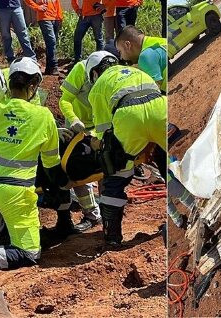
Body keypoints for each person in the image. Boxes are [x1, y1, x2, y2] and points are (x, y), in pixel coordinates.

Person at [0, 58, 73, 277]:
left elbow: (2, 131)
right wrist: (67, 184)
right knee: (29, 253)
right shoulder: (44, 117)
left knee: (3, 214)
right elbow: (51, 166)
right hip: (15, 192)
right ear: (32, 87)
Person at [86, 51, 167, 245]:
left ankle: (112, 237)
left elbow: (104, 131)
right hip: (160, 107)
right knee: (168, 162)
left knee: (115, 175)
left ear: (95, 73)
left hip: (128, 115)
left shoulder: (98, 87)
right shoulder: (136, 71)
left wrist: (97, 145)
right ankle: (189, 207)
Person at [59, 60, 102, 231]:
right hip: (77, 127)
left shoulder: (113, 74)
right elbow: (65, 100)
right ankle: (92, 214)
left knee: (105, 168)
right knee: (77, 168)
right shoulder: (80, 71)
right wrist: (74, 119)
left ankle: (106, 213)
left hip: (100, 125)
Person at [115, 25, 167, 93]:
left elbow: (154, 94)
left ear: (127, 45)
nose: (121, 57)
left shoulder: (145, 57)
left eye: (120, 52)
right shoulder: (158, 41)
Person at [24, 0, 63, 75]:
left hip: (55, 18)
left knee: (51, 44)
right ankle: (54, 66)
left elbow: (57, 2)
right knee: (52, 42)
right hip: (44, 18)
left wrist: (60, 17)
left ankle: (48, 68)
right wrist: (37, 7)